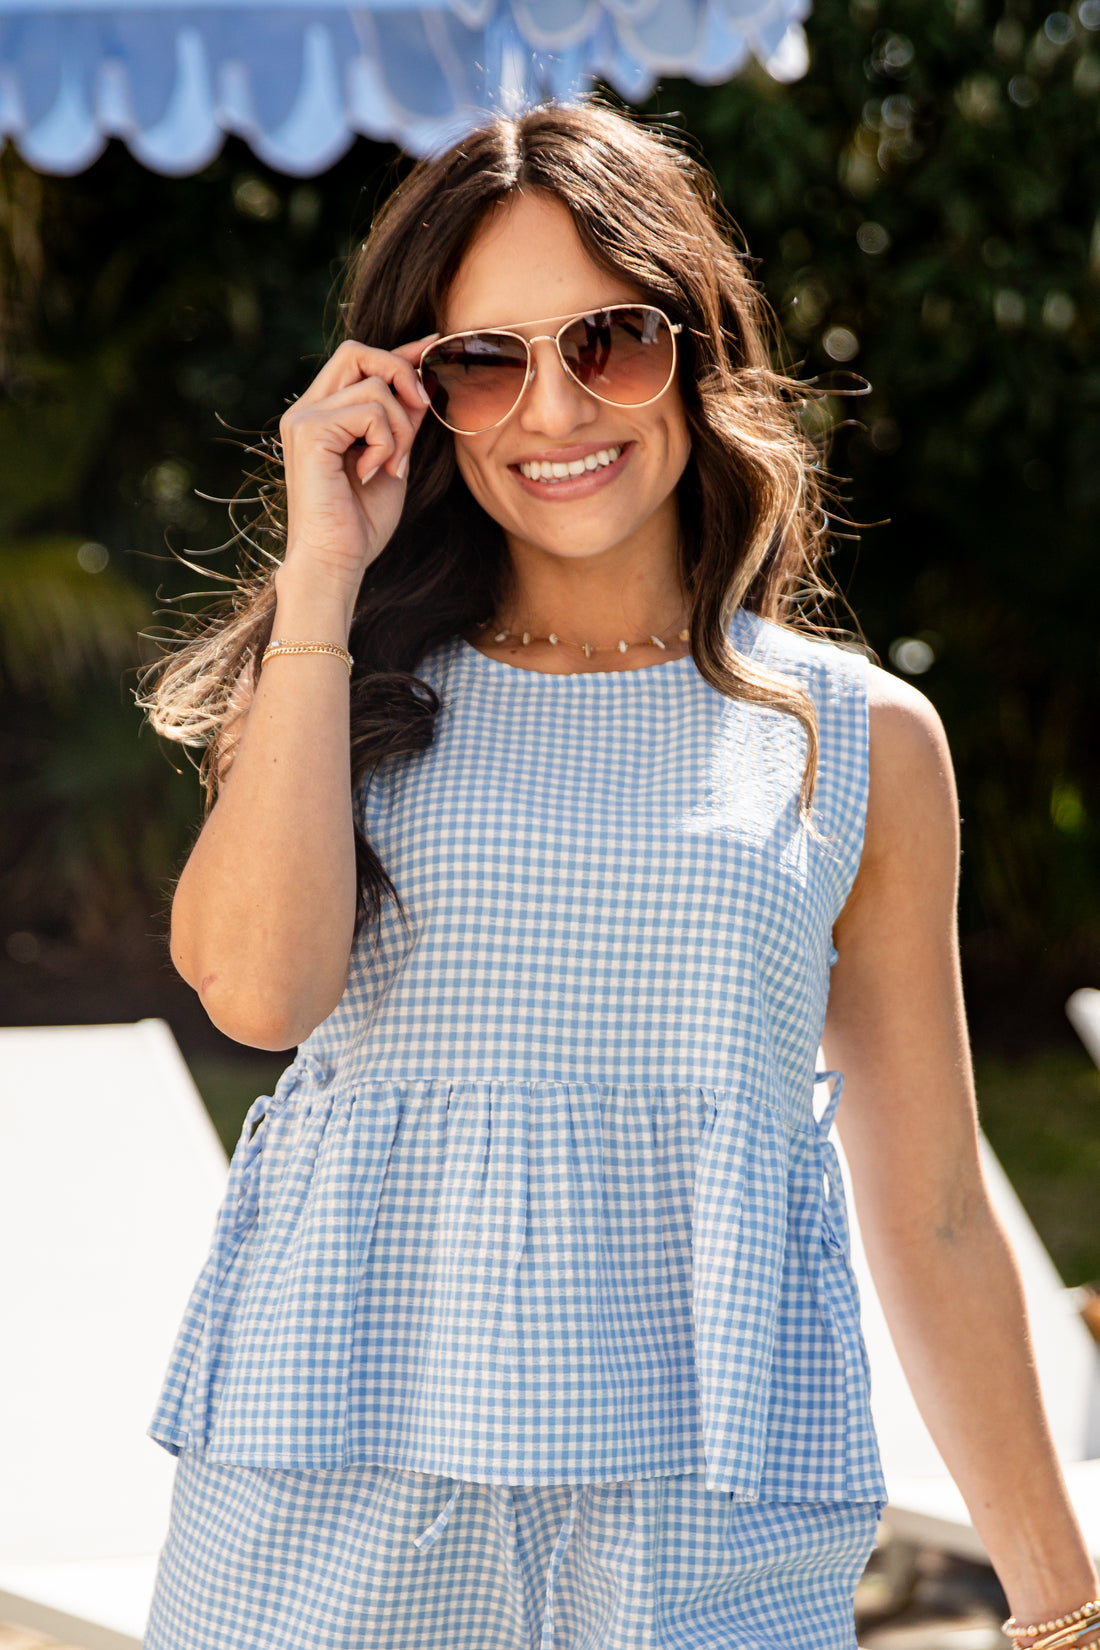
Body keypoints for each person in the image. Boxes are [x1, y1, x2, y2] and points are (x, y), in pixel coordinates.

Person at [141, 102, 1099, 1650]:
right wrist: (321, 571)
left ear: (696, 346)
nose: (553, 407)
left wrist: (1063, 1605)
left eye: (610, 341)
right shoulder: (341, 680)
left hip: (700, 1525)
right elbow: (254, 992)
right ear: (421, 394)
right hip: (336, 1495)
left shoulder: (856, 739)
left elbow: (930, 1210)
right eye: (486, 361)